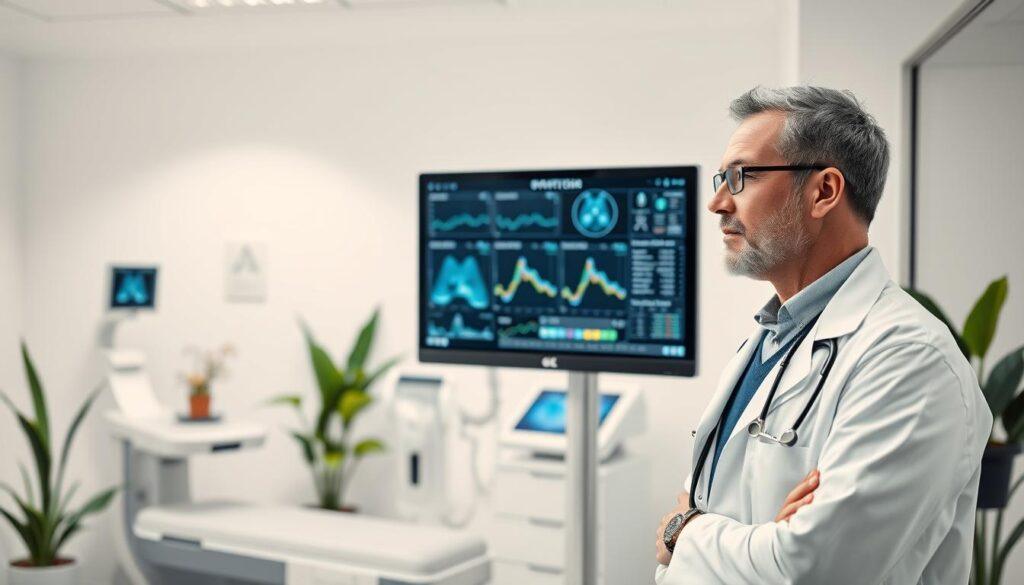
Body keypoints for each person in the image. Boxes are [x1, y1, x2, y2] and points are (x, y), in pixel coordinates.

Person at [654, 86, 991, 584]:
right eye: (721, 179)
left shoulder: (912, 359)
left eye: (740, 177)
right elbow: (701, 503)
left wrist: (685, 534)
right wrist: (743, 537)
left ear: (824, 191)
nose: (717, 202)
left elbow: (814, 568)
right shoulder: (772, 338)